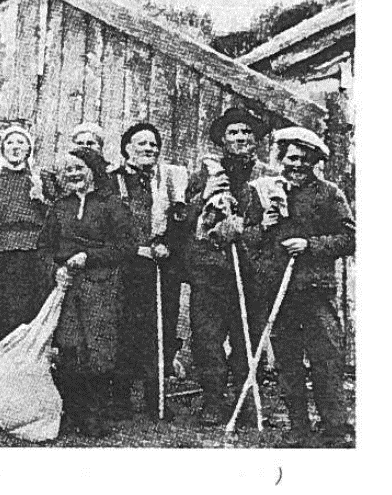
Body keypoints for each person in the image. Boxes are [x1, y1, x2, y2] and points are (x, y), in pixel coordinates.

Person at [243, 127, 355, 447]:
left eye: (304, 160)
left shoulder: (330, 194)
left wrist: (309, 244)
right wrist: (263, 228)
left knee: (326, 358)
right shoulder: (264, 192)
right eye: (290, 158)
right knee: (288, 361)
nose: (296, 165)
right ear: (281, 160)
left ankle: (335, 427)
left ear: (315, 162)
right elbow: (249, 237)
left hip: (315, 289)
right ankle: (298, 427)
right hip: (278, 289)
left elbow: (349, 237)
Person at [184, 107, 273, 426]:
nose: (240, 138)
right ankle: (212, 400)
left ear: (256, 140)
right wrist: (208, 210)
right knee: (207, 338)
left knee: (248, 337)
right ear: (222, 139)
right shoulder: (204, 175)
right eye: (233, 132)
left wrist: (244, 234)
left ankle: (246, 398)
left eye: (246, 132)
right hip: (211, 271)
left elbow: (274, 224)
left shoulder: (267, 177)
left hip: (253, 272)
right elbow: (188, 219)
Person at [38, 147, 134, 437]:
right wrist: (54, 270)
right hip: (67, 288)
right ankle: (72, 410)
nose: (73, 174)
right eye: (68, 170)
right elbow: (44, 247)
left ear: (93, 170)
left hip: (101, 287)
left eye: (79, 168)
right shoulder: (61, 207)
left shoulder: (112, 205)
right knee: (68, 349)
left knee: (97, 351)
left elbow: (125, 247)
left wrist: (88, 257)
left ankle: (93, 414)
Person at [108, 122, 188, 421]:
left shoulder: (168, 179)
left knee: (161, 327)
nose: (148, 149)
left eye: (153, 144)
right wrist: (133, 249)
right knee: (126, 327)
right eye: (141, 143)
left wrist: (167, 244)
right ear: (127, 148)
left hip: (159, 265)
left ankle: (157, 398)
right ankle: (121, 398)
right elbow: (109, 223)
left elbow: (181, 220)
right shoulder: (112, 181)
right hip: (126, 265)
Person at [0, 125, 55, 340]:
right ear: (3, 149)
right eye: (10, 143)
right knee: (5, 309)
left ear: (29, 149)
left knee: (34, 308)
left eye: (20, 142)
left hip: (34, 250)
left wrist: (41, 199)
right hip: (1, 252)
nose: (15, 147)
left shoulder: (40, 179)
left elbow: (56, 216)